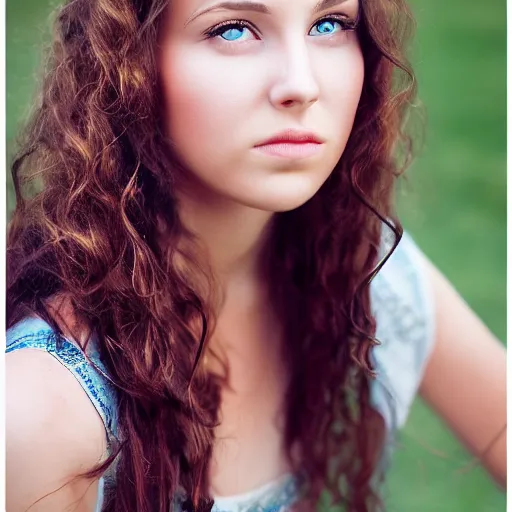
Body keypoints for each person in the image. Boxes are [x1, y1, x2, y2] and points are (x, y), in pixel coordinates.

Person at [5, 0, 506, 511]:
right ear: (130, 63)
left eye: (329, 24)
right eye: (234, 30)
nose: (302, 84)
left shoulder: (362, 268)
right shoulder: (48, 411)